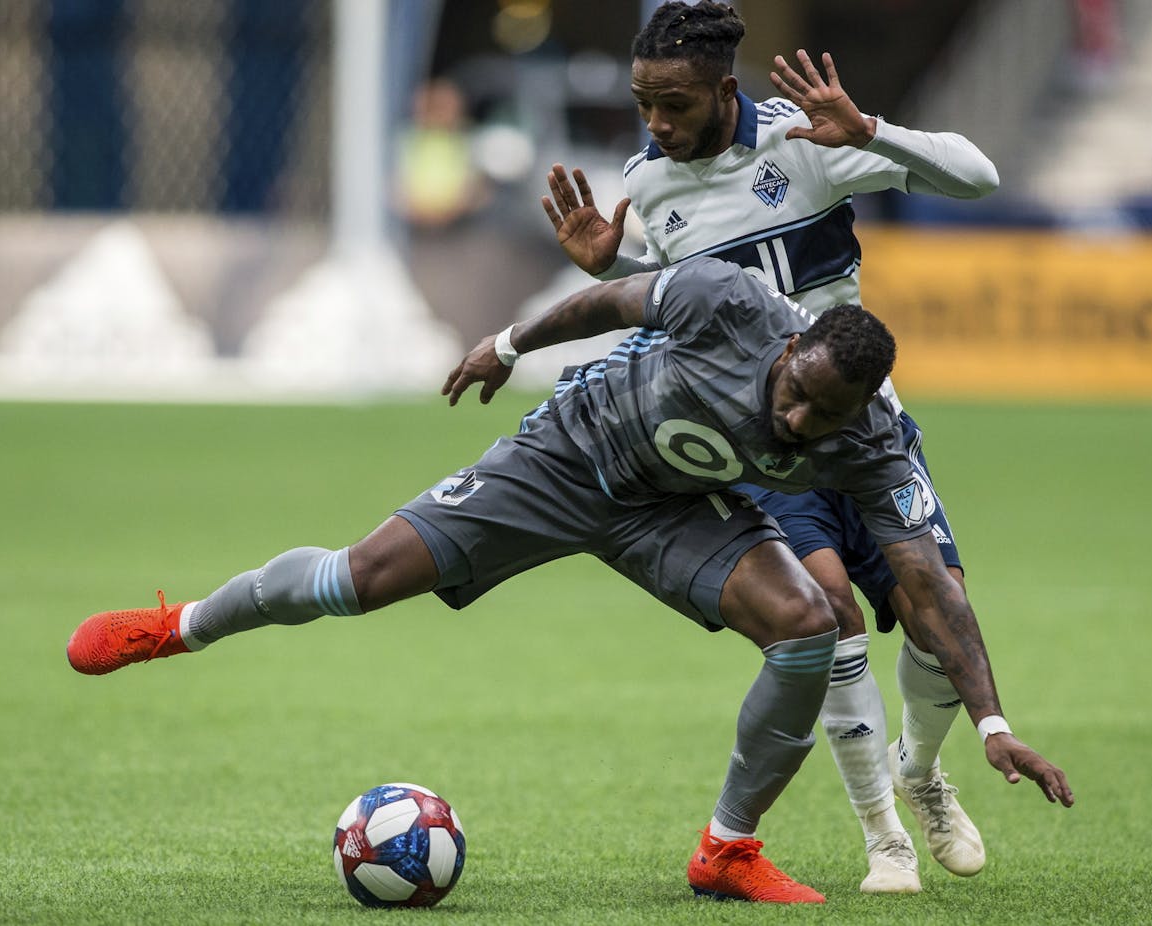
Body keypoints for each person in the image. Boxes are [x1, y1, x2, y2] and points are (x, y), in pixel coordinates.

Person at [67, 258, 1073, 904]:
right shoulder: (728, 303)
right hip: (562, 456)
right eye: (795, 392)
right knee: (356, 576)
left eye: (826, 414)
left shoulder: (869, 440)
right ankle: (176, 623)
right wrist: (507, 344)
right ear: (793, 345)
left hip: (672, 511)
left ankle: (725, 850)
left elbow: (930, 589)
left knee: (808, 624)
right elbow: (609, 298)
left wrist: (989, 720)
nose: (800, 422)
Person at [540, 1, 1009, 894]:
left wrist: (870, 129)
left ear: (724, 89)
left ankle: (922, 774)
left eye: (672, 104)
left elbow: (979, 176)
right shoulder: (654, 180)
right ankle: (884, 836)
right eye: (644, 103)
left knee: (939, 605)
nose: (655, 123)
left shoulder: (805, 140)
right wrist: (611, 269)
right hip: (768, 442)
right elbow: (688, 298)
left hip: (865, 429)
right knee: (824, 605)